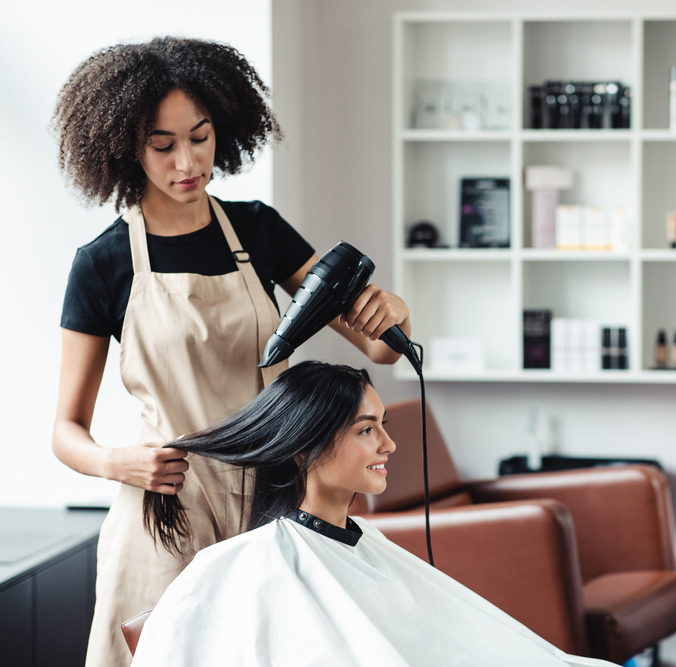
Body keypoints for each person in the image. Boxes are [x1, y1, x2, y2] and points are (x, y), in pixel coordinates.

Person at [51, 37, 410, 667]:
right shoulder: (103, 263)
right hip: (164, 511)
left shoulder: (259, 231)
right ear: (128, 148)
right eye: (162, 145)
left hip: (272, 499)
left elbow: (377, 350)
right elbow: (65, 431)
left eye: (201, 137)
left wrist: (394, 312)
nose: (187, 161)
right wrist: (118, 463)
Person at [131, 362, 614, 667]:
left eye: (382, 425)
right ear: (304, 448)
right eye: (367, 430)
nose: (389, 444)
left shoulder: (364, 541)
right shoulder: (250, 563)